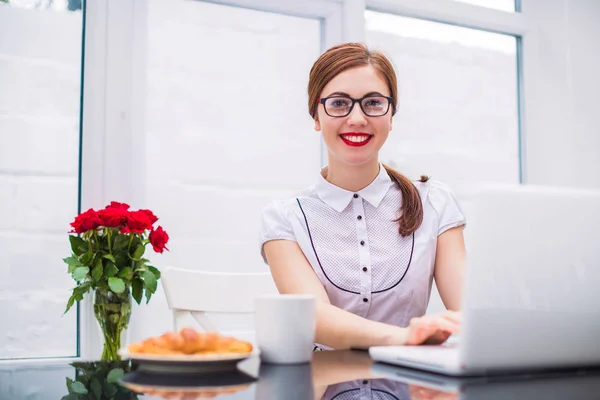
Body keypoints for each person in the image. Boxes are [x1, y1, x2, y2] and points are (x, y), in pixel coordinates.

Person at [258, 42, 466, 350]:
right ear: (316, 116)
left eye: (373, 103)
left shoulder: (434, 200)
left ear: (391, 116)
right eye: (339, 103)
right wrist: (406, 337)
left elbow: (467, 312)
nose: (356, 118)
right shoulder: (283, 218)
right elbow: (314, 318)